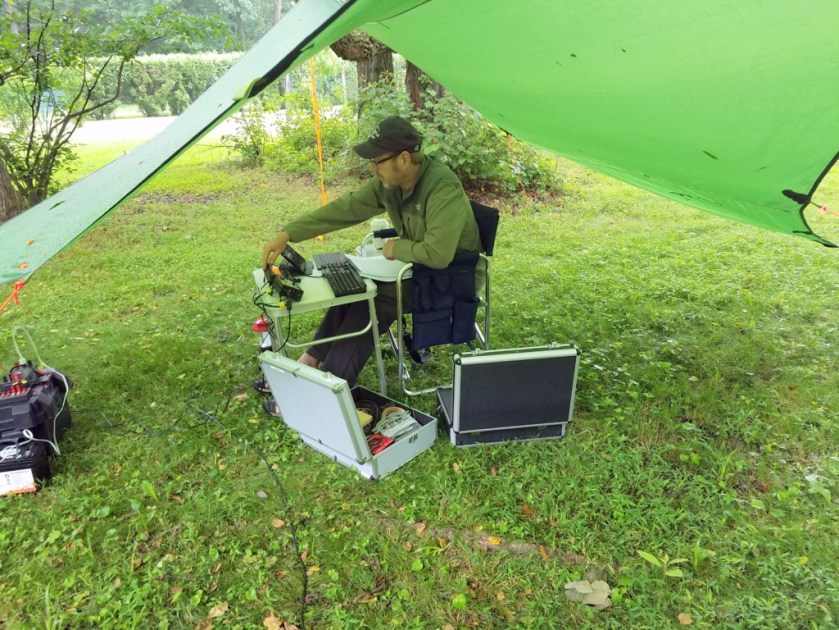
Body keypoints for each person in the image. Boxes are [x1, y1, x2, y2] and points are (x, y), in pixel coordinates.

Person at [260, 116, 481, 414]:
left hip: (451, 278)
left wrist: (397, 247)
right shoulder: (389, 184)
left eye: (378, 160)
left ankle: (326, 390)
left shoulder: (442, 187)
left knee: (370, 300)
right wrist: (289, 234)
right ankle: (309, 362)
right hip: (417, 270)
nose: (372, 168)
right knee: (351, 288)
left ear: (404, 159)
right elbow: (346, 208)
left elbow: (439, 254)